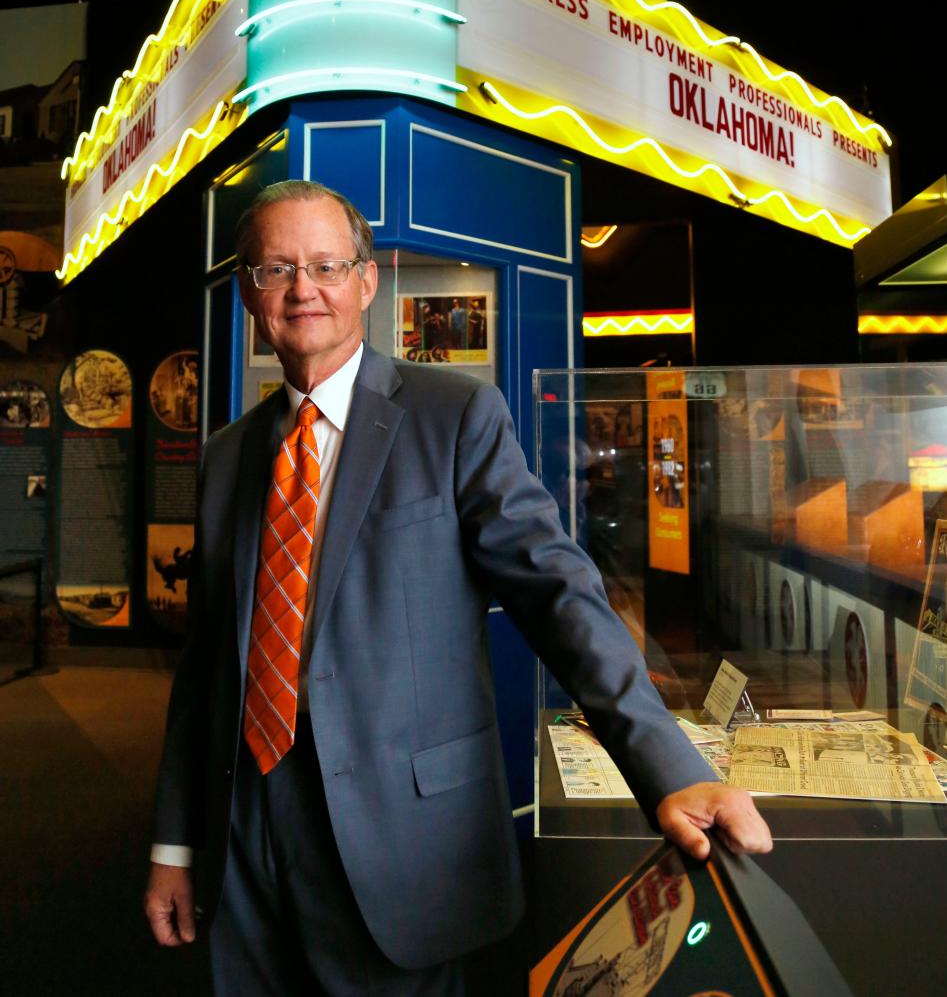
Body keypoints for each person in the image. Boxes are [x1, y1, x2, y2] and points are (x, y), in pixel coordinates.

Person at [144, 181, 771, 995]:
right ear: (247, 291)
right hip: (247, 837)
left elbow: (557, 591)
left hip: (401, 847)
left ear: (366, 283)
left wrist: (667, 764)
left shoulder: (455, 414)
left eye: (327, 265)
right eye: (276, 268)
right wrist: (174, 843)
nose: (304, 288)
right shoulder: (228, 455)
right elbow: (206, 665)